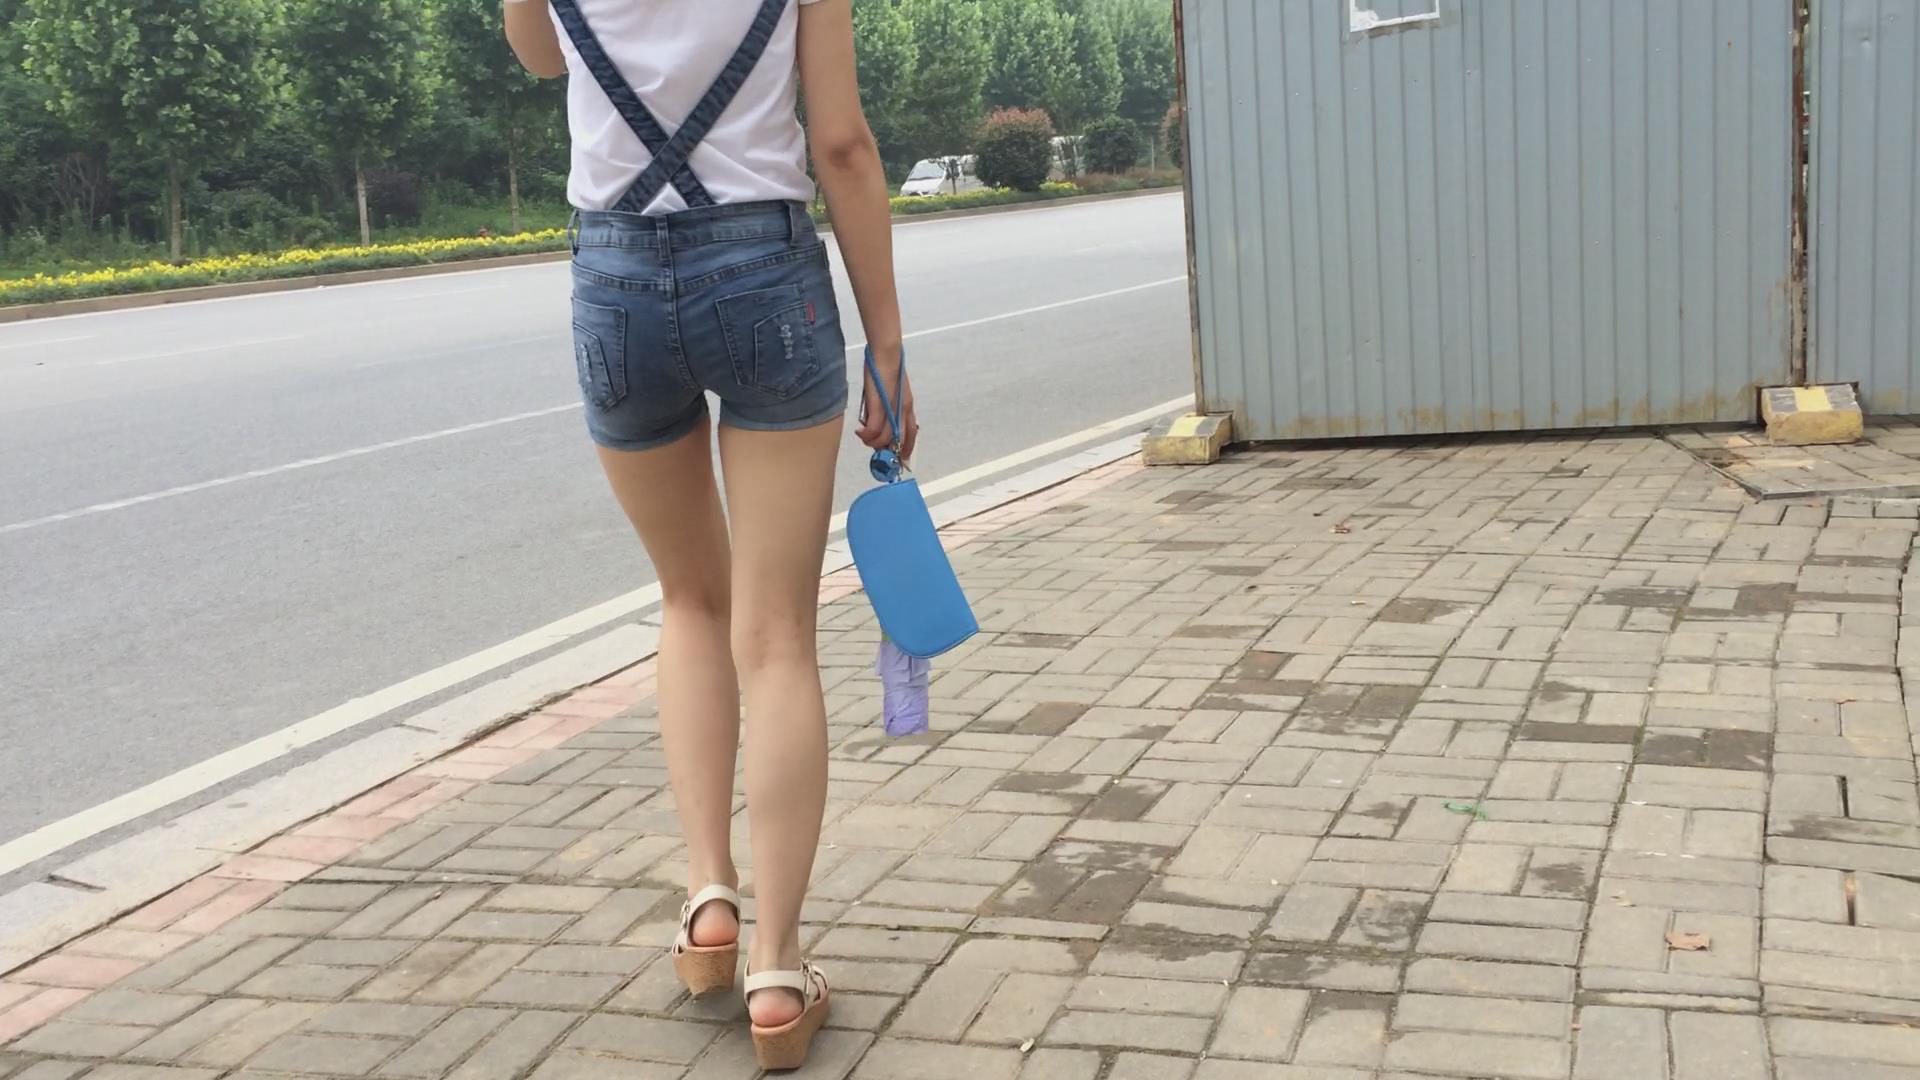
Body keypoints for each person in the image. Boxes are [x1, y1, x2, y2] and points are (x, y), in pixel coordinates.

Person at [505, 0, 917, 1069]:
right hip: (762, 268)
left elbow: (540, 55)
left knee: (690, 600)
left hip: (614, 275)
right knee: (775, 635)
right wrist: (886, 342)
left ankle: (709, 900)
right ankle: (777, 969)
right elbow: (840, 143)